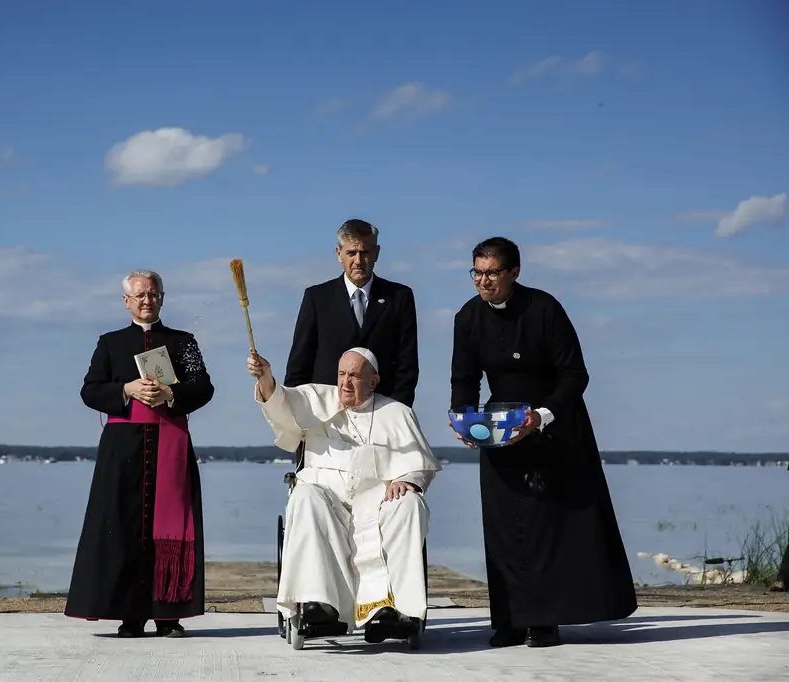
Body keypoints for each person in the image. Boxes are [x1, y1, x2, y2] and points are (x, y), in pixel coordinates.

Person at [449, 237, 636, 648]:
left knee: (548, 526)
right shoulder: (467, 317)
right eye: (477, 273)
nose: (483, 281)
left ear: (515, 272)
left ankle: (545, 622)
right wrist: (462, 419)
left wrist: (541, 416)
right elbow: (464, 378)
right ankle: (510, 620)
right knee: (503, 525)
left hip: (555, 425)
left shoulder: (544, 308)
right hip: (500, 429)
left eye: (492, 273)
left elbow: (575, 374)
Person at [247, 346, 441, 634]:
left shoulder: (397, 413)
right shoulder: (316, 400)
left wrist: (408, 481)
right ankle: (320, 606)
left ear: (373, 382)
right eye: (341, 374)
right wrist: (265, 378)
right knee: (304, 495)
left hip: (378, 503)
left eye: (354, 376)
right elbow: (281, 403)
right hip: (327, 500)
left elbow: (419, 464)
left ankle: (397, 611)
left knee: (410, 504)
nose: (345, 383)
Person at [65, 269, 215, 638]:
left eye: (153, 294)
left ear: (162, 298)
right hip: (123, 448)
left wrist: (171, 394)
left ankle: (168, 617)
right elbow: (89, 391)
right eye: (140, 295)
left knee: (170, 527)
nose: (147, 300)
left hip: (170, 443)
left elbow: (204, 388)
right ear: (127, 301)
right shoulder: (110, 343)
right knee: (123, 528)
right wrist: (127, 389)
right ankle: (129, 615)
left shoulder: (183, 342)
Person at [285, 218, 419, 407]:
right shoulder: (317, 298)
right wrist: (295, 411)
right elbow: (299, 365)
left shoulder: (399, 298)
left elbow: (407, 365)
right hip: (326, 413)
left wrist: (395, 411)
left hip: (381, 410)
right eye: (351, 253)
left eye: (365, 252)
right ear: (339, 254)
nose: (358, 261)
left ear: (376, 253)